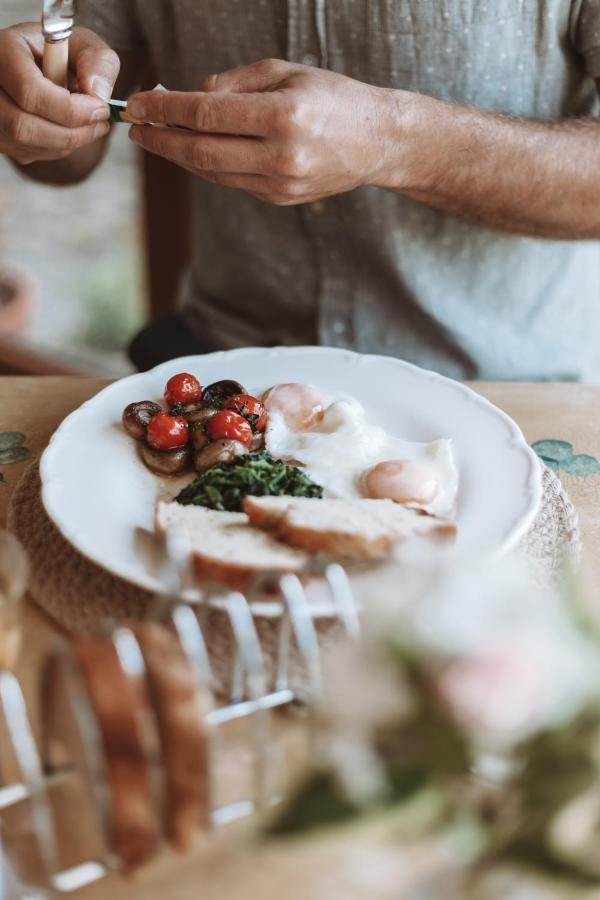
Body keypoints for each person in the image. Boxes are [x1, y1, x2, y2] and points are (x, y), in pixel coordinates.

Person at [1, 2, 600, 379]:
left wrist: (396, 141)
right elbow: (69, 148)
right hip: (222, 370)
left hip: (510, 390)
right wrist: (34, 108)